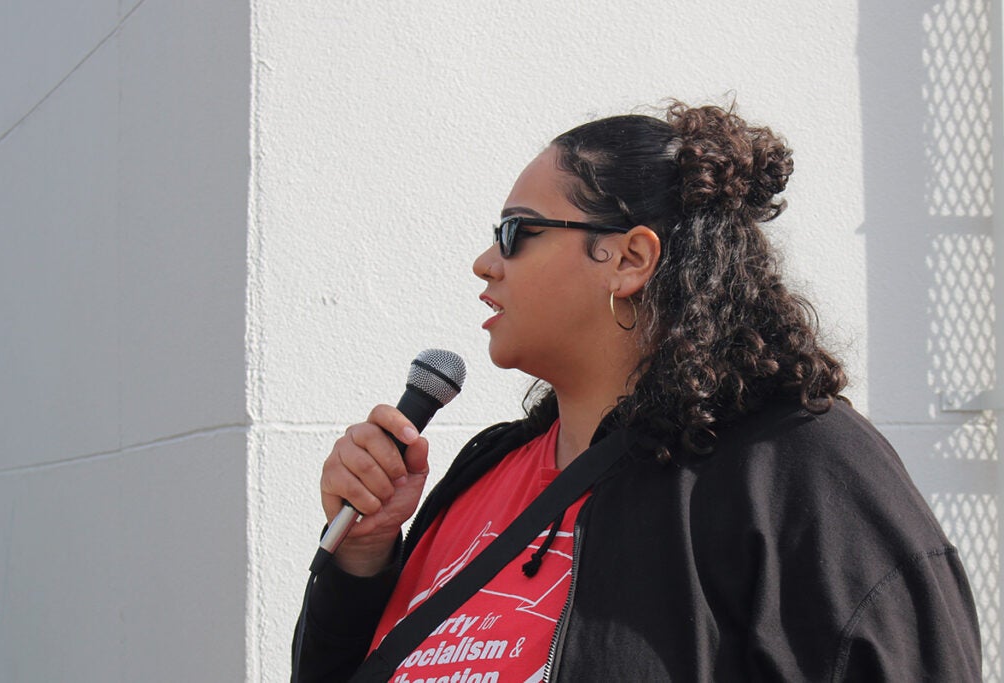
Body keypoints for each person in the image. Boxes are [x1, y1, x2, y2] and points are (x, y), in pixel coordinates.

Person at [293, 101, 982, 681]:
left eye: (515, 233)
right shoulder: (483, 474)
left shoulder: (799, 466)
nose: (485, 262)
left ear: (629, 259)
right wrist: (362, 561)